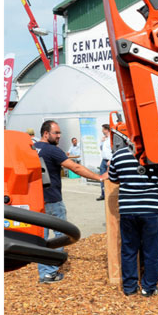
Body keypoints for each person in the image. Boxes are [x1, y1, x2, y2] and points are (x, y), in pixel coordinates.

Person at [35, 120, 106, 283]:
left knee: (42, 237)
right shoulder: (52, 150)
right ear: (46, 134)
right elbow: (76, 168)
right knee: (60, 235)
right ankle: (49, 272)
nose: (59, 136)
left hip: (38, 199)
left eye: (60, 133)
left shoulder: (33, 148)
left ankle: (44, 270)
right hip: (52, 199)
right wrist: (99, 177)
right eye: (56, 133)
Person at [108, 144, 158, 297]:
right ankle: (148, 287)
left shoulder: (118, 155)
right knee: (151, 250)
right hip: (152, 208)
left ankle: (130, 287)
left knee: (129, 249)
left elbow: (113, 178)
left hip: (128, 209)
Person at [96, 124, 112, 201]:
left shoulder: (112, 139)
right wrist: (102, 142)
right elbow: (101, 148)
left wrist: (111, 159)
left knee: (110, 177)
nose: (102, 131)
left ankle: (111, 194)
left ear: (106, 129)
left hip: (110, 160)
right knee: (102, 177)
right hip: (104, 160)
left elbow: (114, 150)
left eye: (103, 129)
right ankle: (103, 194)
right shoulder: (105, 139)